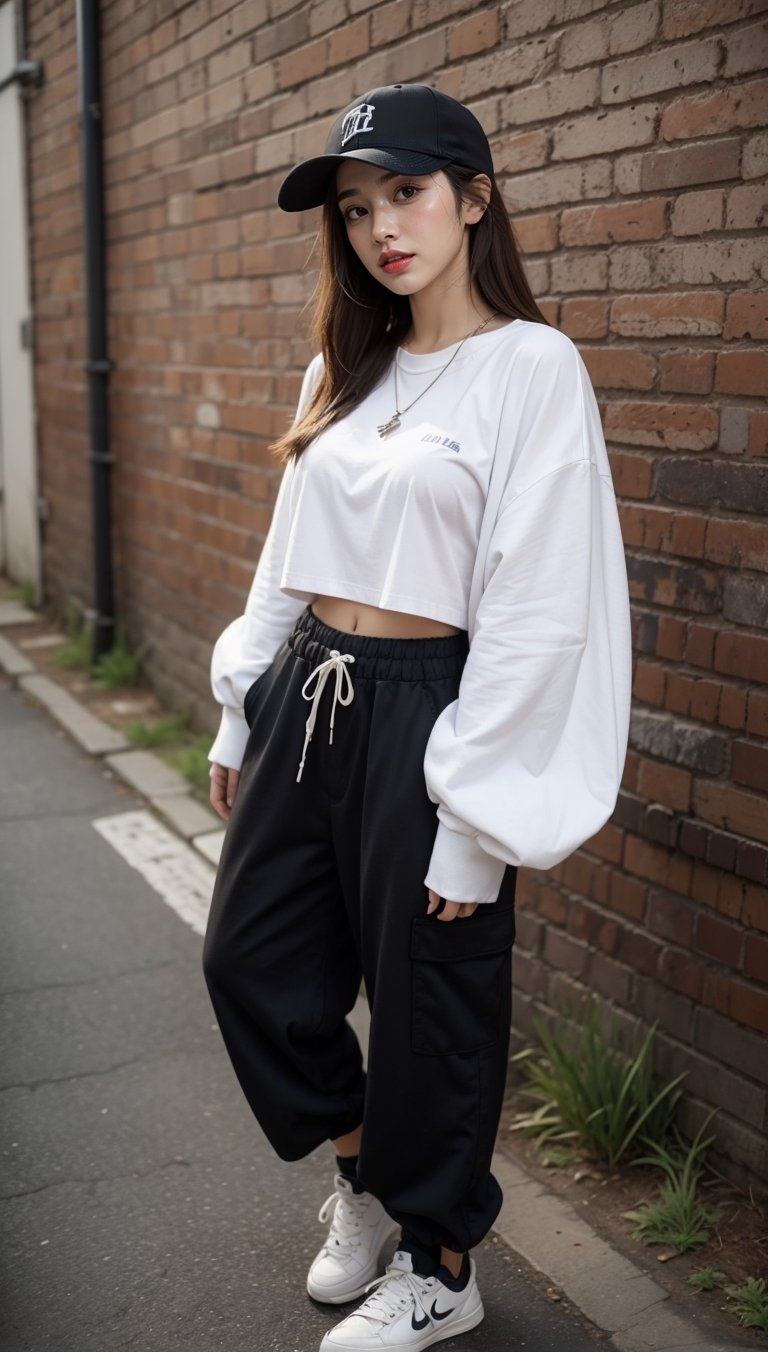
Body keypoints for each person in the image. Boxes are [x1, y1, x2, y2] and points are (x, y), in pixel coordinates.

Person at [202, 82, 632, 1351]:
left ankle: (442, 1262)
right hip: (310, 695)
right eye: (355, 206)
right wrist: (241, 707)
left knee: (429, 993)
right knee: (252, 961)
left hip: (431, 714)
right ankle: (362, 1182)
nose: (381, 226)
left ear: (474, 198)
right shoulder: (346, 355)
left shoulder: (531, 368)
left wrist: (476, 819)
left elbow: (538, 604)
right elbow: (292, 549)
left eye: (406, 192)